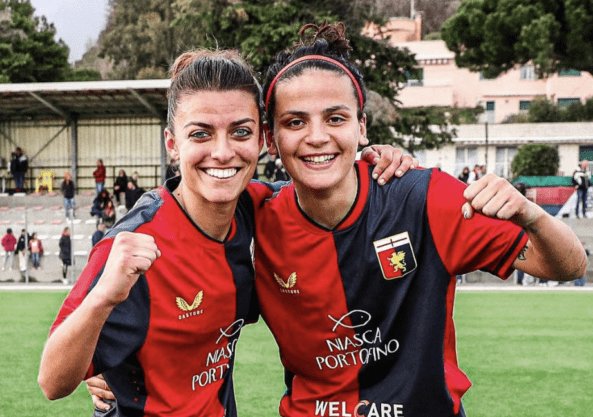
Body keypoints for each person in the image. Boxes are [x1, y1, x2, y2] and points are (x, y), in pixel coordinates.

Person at [40, 48, 417, 416]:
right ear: (173, 144)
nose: (222, 152)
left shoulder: (256, 209)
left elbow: (321, 192)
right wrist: (102, 302)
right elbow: (52, 383)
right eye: (200, 134)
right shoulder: (136, 246)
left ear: (261, 140)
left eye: (240, 132)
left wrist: (376, 159)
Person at [250, 22, 586, 417]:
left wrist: (530, 214)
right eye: (295, 122)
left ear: (361, 127)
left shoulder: (424, 197)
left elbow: (569, 266)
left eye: (336, 118)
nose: (317, 136)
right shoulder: (253, 216)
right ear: (270, 139)